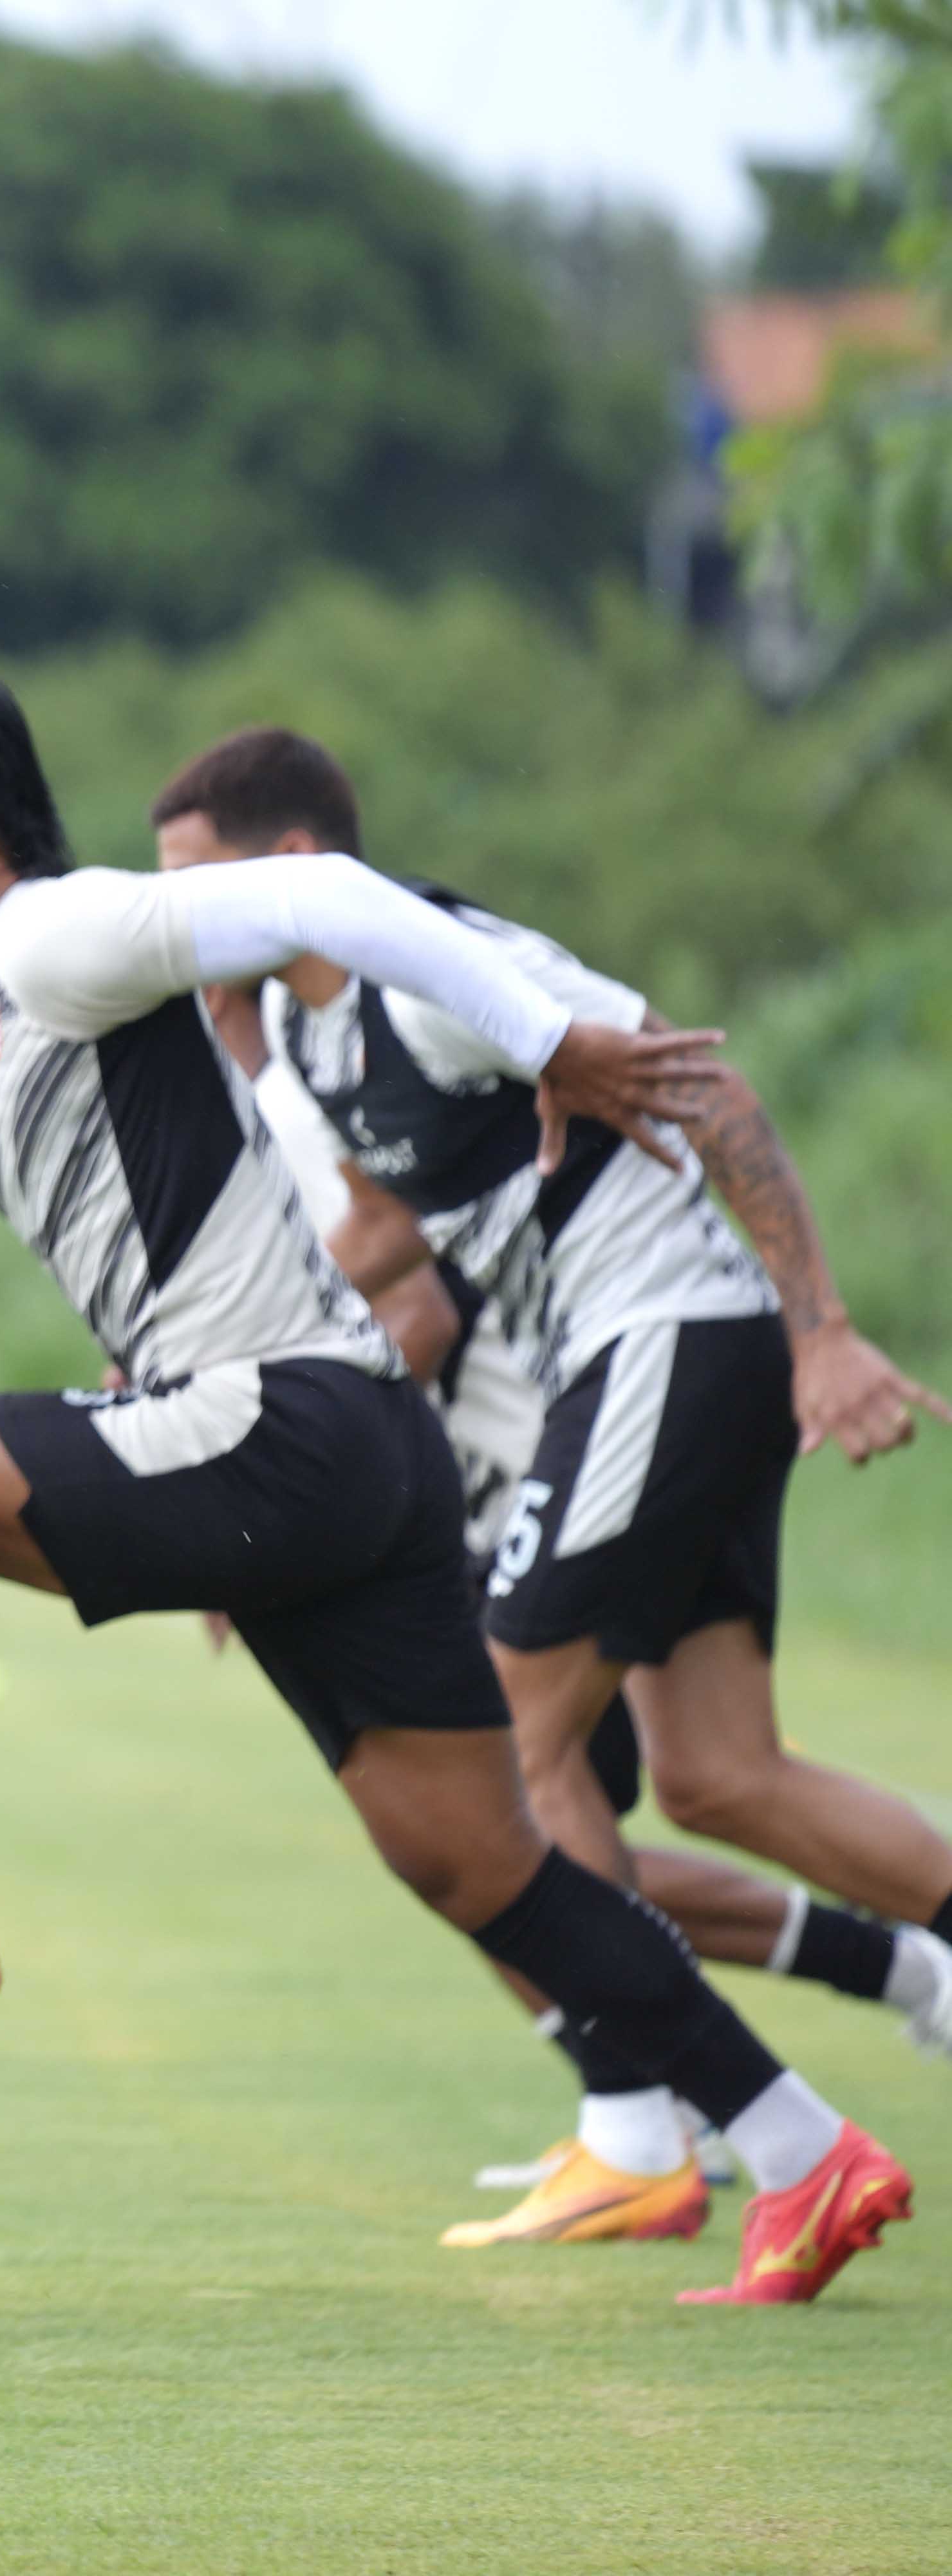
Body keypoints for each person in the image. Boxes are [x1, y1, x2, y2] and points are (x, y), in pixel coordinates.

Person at [0, 659, 913, 2306]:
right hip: (362, 1441)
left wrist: (552, 1040)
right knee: (484, 1864)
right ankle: (807, 2149)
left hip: (283, 1420)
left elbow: (318, 887)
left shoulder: (52, 935)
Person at [145, 724, 952, 2244]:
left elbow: (706, 1089)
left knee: (505, 1748)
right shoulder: (312, 1031)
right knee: (719, 1773)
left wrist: (823, 1327)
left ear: (301, 869)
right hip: (626, 1356)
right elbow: (393, 1240)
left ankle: (640, 2120)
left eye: (202, 888)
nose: (183, 924)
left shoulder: (441, 965)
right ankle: (705, 2088)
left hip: (669, 1335)